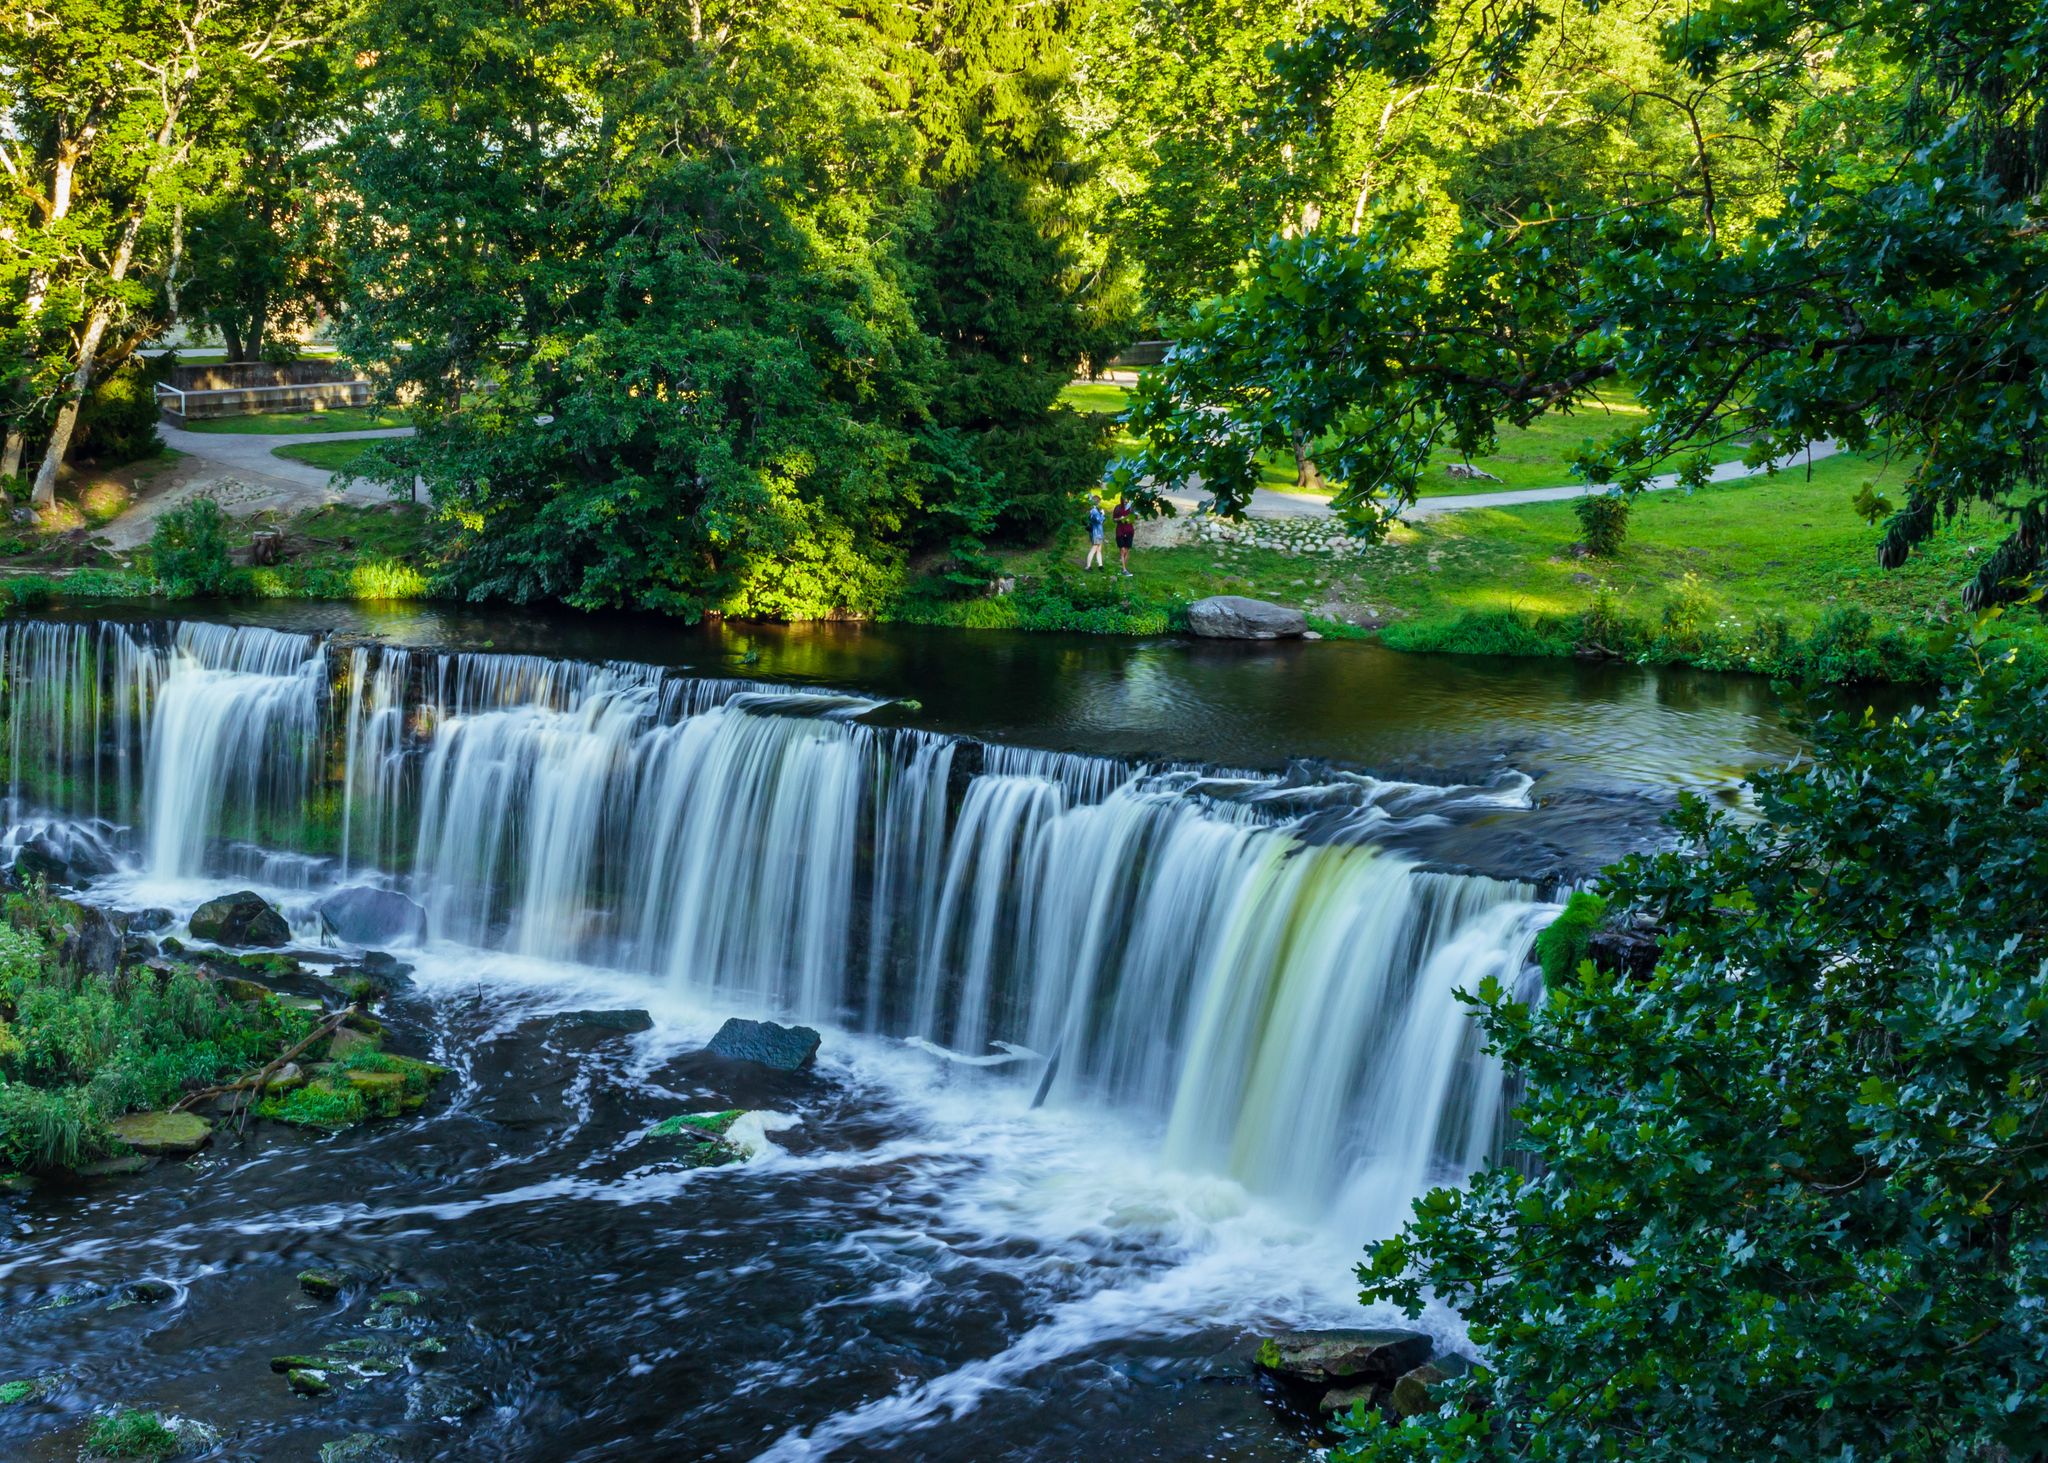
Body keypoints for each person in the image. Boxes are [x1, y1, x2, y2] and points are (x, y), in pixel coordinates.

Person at [1113, 495, 1136, 576]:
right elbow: (1114, 519)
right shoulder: (1118, 507)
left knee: (1127, 550)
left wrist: (1130, 518)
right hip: (1120, 531)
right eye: (1124, 499)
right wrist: (1120, 519)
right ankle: (1124, 569)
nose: (1126, 501)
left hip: (1129, 530)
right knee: (1122, 550)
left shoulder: (1131, 508)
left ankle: (1123, 568)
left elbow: (1135, 517)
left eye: (1127, 500)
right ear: (1121, 499)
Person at [1084, 494, 1105, 570]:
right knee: (1094, 548)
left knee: (1099, 549)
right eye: (1099, 502)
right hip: (1096, 532)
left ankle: (1100, 565)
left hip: (1099, 532)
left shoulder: (1094, 510)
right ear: (1097, 502)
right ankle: (1088, 566)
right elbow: (1099, 520)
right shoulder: (1094, 510)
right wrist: (1103, 514)